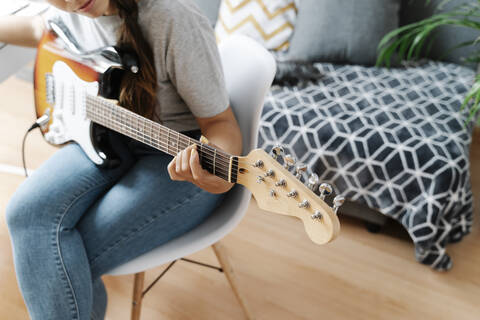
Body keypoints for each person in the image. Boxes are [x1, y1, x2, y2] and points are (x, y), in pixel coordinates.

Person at [1, 0, 242, 319]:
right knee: (24, 214)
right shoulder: (70, 12)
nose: (72, 1)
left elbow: (221, 125)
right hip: (109, 136)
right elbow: (38, 27)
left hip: (179, 160)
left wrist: (216, 172)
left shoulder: (173, 18)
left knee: (57, 256)